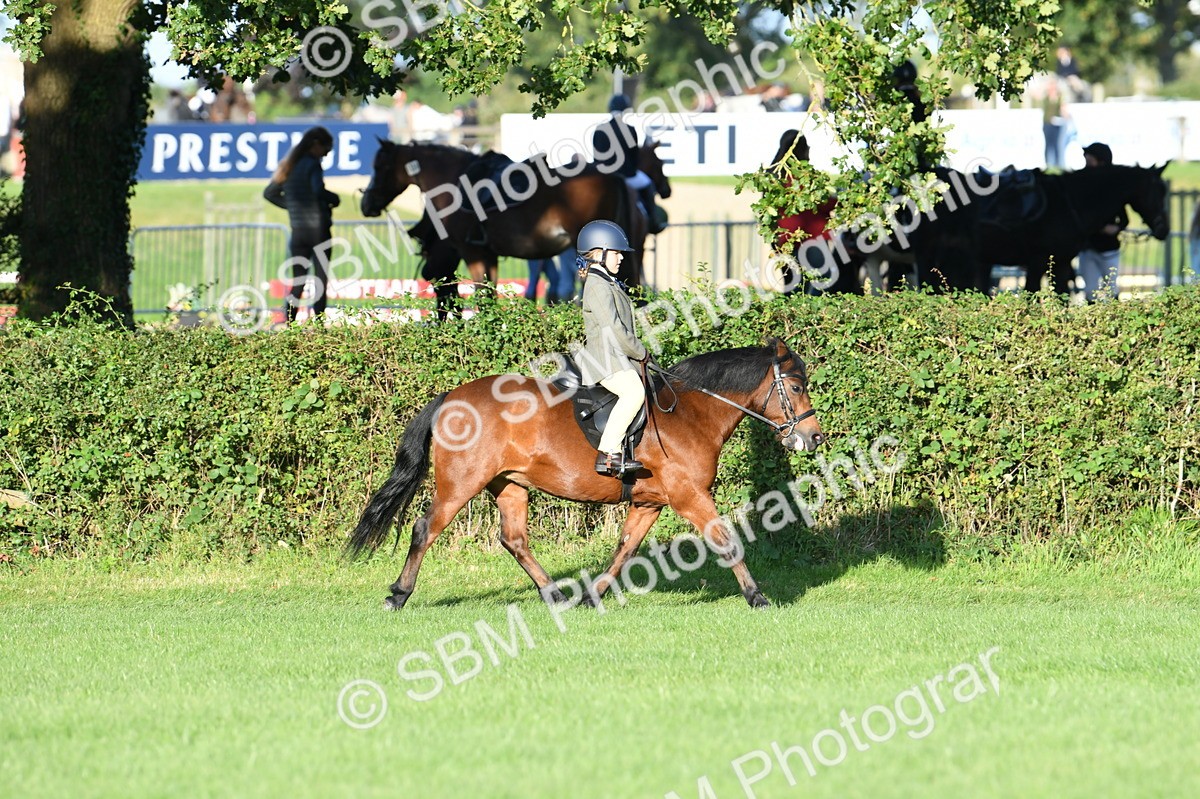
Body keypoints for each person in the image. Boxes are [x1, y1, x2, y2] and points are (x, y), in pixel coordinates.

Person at [576, 220, 650, 477]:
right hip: (605, 360)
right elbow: (614, 329)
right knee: (633, 393)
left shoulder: (606, 282)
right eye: (617, 252)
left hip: (617, 357)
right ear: (600, 253)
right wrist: (641, 352)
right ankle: (608, 454)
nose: (621, 258)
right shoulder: (596, 286)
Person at [263, 126, 340, 323]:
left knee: (298, 281)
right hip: (318, 230)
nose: (325, 155)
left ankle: (289, 324)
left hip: (298, 232)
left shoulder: (289, 165)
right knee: (320, 280)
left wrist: (292, 207)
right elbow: (318, 190)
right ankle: (320, 326)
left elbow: (269, 193)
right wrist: (335, 198)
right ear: (315, 144)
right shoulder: (312, 164)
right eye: (326, 150)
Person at [593, 94, 664, 234]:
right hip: (626, 177)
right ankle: (653, 221)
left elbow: (596, 156)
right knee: (648, 184)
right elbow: (634, 157)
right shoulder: (630, 129)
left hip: (604, 178)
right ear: (625, 110)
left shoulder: (600, 129)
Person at [1076, 142, 1126, 302]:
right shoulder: (1081, 186)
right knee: (1090, 290)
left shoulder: (1112, 191)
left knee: (1111, 288)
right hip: (1088, 247)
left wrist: (1115, 228)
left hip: (1107, 248)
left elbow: (1124, 219)